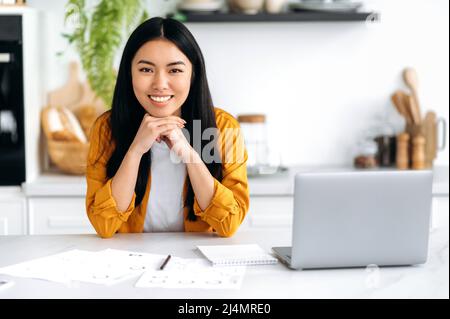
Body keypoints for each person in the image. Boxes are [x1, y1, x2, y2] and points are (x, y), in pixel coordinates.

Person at [86, 17, 249, 238]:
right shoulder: (107, 128)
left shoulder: (224, 128)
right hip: (131, 261)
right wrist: (135, 151)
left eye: (174, 71)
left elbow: (229, 225)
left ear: (193, 74)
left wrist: (190, 154)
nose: (160, 84)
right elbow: (103, 226)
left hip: (197, 261)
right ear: (129, 73)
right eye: (146, 69)